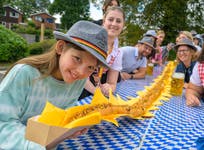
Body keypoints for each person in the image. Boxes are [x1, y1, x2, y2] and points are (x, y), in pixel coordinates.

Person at [0, 20, 109, 150]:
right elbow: (3, 123)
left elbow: (64, 112)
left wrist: (68, 129)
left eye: (90, 67)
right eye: (77, 58)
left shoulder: (79, 81)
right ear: (61, 47)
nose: (80, 72)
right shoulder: (24, 73)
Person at [79, 6, 125, 98]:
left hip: (96, 86)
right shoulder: (91, 40)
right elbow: (80, 73)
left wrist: (109, 88)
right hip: (79, 83)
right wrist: (97, 92)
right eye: (111, 19)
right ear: (104, 21)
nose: (114, 24)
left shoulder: (117, 53)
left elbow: (112, 83)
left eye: (118, 21)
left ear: (123, 25)